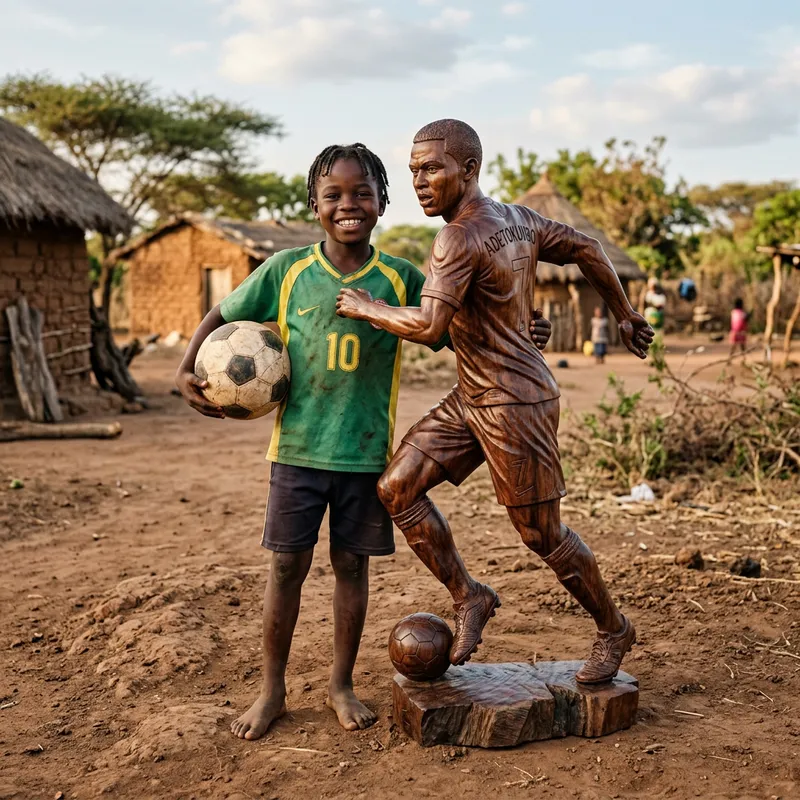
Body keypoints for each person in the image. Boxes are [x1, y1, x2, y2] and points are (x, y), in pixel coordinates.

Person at [175, 142, 555, 740]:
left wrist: (521, 328)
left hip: (365, 454)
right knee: (286, 567)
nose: (348, 204)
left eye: (362, 193)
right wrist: (186, 366)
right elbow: (223, 313)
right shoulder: (286, 270)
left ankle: (340, 684)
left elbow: (462, 328)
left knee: (351, 567)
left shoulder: (401, 278)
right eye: (333, 195)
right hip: (297, 453)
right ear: (314, 204)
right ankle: (271, 689)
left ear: (382, 202)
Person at [336, 119, 654, 685]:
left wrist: (368, 308)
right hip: (472, 397)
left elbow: (430, 324)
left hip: (515, 404)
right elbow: (585, 248)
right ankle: (471, 595)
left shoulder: (458, 237)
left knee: (542, 535)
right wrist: (623, 313)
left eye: (431, 169)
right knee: (397, 488)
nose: (420, 181)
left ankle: (614, 629)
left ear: (469, 169)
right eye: (413, 170)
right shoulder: (519, 219)